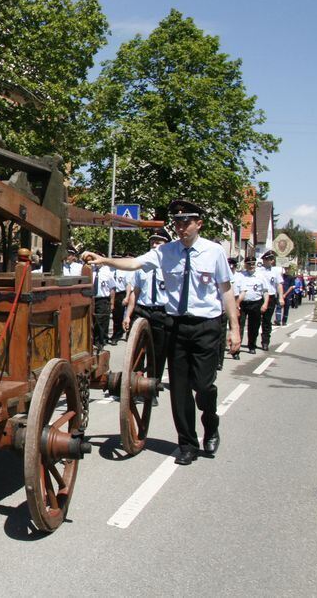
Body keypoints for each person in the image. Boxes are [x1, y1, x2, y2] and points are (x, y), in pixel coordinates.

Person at [82, 199, 240, 467]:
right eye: (177, 222)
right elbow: (134, 263)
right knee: (179, 390)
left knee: (202, 386)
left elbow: (225, 290)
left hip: (207, 326)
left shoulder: (214, 252)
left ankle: (210, 424)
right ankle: (187, 444)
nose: (180, 227)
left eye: (186, 222)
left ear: (198, 224)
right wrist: (105, 260)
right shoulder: (165, 252)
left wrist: (234, 328)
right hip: (176, 325)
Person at [122, 228, 170, 383]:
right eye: (152, 242)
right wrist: (127, 315)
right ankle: (136, 383)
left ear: (166, 244)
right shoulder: (141, 265)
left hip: (162, 313)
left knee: (158, 352)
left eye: (159, 242)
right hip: (142, 310)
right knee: (136, 349)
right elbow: (135, 293)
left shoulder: (171, 266)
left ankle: (152, 385)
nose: (155, 245)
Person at [234, 259, 268, 354]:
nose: (251, 266)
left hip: (256, 303)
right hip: (243, 303)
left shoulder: (260, 276)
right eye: (249, 264)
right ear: (245, 265)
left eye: (253, 264)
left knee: (254, 326)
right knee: (239, 326)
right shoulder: (241, 275)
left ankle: (252, 345)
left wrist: (265, 304)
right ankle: (237, 348)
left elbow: (265, 291)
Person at [258, 250, 283, 350]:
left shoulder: (275, 272)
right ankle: (252, 342)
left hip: (271, 297)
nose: (269, 261)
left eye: (270, 259)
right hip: (259, 297)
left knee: (267, 321)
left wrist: (281, 297)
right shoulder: (258, 271)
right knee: (255, 320)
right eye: (266, 259)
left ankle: (265, 342)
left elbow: (279, 284)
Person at [92, 254, 115, 350]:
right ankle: (93, 340)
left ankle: (100, 342)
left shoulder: (107, 272)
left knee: (101, 321)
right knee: (92, 320)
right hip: (91, 299)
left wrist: (112, 302)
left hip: (102, 300)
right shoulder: (90, 271)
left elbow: (112, 288)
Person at [109, 261, 130, 344]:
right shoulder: (108, 270)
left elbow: (128, 285)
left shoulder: (124, 271)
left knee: (118, 316)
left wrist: (127, 296)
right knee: (111, 316)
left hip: (120, 294)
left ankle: (117, 335)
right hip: (109, 294)